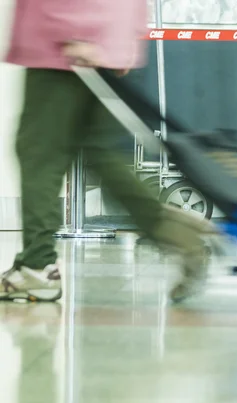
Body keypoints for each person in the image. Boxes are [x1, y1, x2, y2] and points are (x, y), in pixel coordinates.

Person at [1, 0, 212, 303]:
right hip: (105, 41)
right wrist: (120, 39)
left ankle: (36, 267)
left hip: (65, 45)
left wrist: (80, 31)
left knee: (39, 155)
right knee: (101, 154)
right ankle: (178, 235)